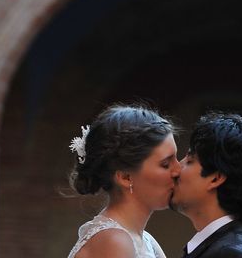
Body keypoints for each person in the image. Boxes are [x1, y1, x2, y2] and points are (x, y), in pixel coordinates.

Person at [67, 104, 181, 258]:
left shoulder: (146, 240)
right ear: (126, 177)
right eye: (166, 164)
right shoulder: (114, 241)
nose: (178, 170)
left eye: (176, 158)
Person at [170, 112, 242, 258]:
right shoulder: (231, 244)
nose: (176, 170)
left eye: (189, 161)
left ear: (215, 178)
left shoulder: (230, 253)